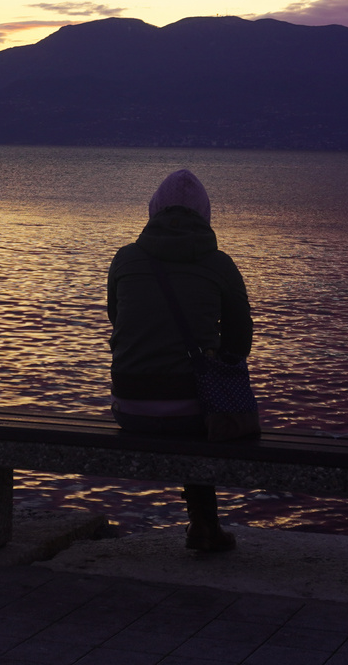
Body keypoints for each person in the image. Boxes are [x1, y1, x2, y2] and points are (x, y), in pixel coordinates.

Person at [107, 168, 252, 553]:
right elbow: (241, 343)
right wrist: (212, 356)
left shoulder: (125, 259)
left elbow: (115, 318)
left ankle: (202, 525)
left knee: (192, 396)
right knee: (203, 401)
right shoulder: (220, 264)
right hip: (193, 413)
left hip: (130, 405)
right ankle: (206, 524)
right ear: (205, 215)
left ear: (152, 211)